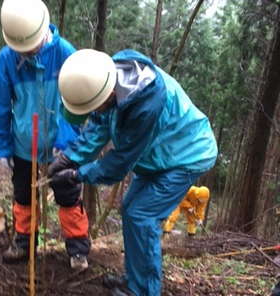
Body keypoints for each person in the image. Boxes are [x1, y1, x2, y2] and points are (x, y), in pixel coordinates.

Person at [47, 49, 218, 295]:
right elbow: (99, 124)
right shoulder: (105, 78)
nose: (98, 110)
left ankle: (144, 290)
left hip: (187, 155)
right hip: (159, 154)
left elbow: (119, 163)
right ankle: (134, 279)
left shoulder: (146, 105)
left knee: (142, 216)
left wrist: (77, 175)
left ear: (108, 95)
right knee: (130, 209)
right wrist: (69, 158)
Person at [0, 0, 90, 270]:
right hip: (24, 143)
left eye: (32, 45)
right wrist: (3, 145)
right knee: (23, 196)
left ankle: (78, 248)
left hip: (61, 143)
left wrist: (67, 143)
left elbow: (77, 103)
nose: (29, 51)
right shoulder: (7, 58)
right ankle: (24, 243)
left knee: (68, 194)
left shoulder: (65, 53)